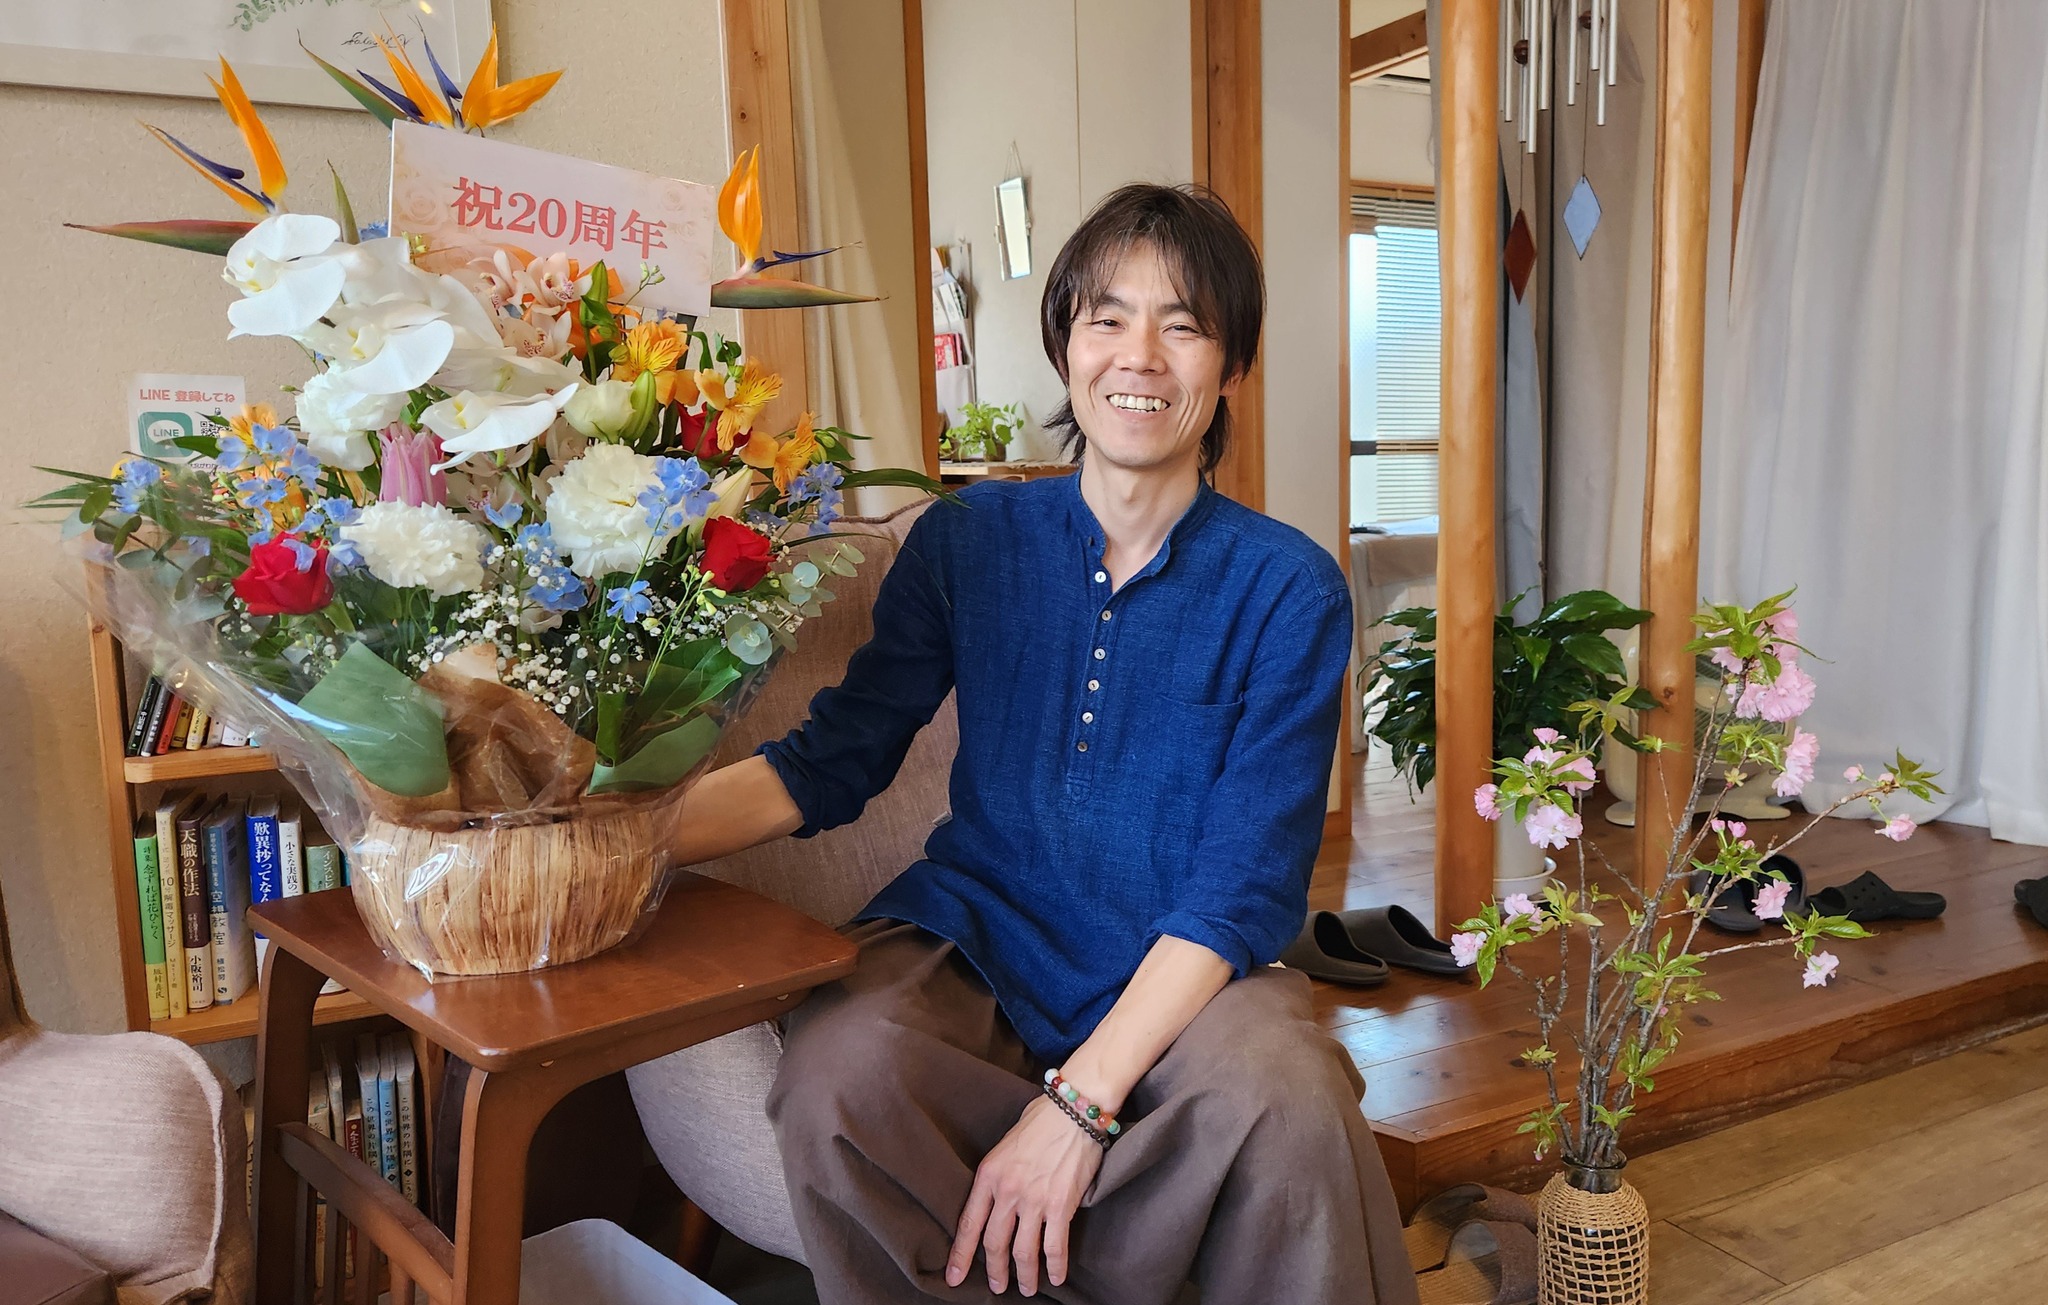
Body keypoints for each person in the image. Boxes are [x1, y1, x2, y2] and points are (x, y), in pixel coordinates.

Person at [666, 183, 1417, 1305]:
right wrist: (623, 840)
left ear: (1232, 367)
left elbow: (1243, 885)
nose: (1140, 356)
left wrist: (1075, 1108)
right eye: (1108, 317)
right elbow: (834, 759)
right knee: (840, 1073)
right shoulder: (966, 540)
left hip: (1183, 965)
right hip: (977, 935)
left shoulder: (1287, 587)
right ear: (1065, 341)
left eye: (1183, 325)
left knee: (1288, 1095)